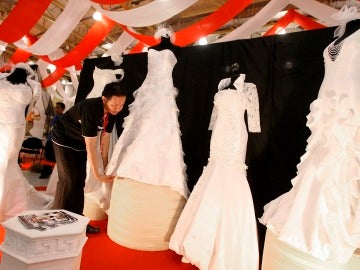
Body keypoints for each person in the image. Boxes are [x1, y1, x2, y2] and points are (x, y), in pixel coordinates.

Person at [259, 12, 360, 263]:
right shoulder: (343, 30)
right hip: (326, 105)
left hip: (348, 106)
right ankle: (310, 220)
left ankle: (334, 227)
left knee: (340, 161)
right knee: (318, 160)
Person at [169, 74, 260, 270]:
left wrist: (252, 127)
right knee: (215, 171)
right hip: (219, 134)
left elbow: (254, 120)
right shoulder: (221, 85)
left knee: (230, 174)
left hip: (237, 134)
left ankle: (224, 246)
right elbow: (214, 118)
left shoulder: (249, 87)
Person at [51, 82, 127, 234]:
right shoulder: (91, 109)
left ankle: (78, 221)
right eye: (114, 105)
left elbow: (104, 142)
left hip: (79, 141)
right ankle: (58, 221)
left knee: (80, 181)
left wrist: (105, 167)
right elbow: (91, 147)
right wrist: (98, 174)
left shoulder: (112, 114)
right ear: (104, 99)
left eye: (121, 105)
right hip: (64, 138)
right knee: (69, 179)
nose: (118, 108)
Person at [39, 102, 65, 179]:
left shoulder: (63, 119)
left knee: (53, 158)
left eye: (58, 108)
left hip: (56, 141)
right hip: (50, 140)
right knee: (47, 157)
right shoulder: (55, 117)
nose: (56, 109)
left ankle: (48, 173)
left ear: (62, 109)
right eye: (56, 107)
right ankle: (46, 172)